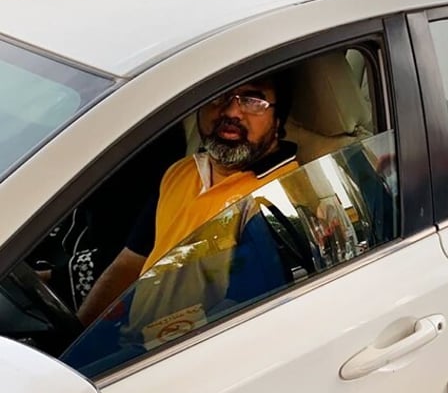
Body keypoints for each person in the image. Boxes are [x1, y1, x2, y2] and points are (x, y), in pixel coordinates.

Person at [76, 77, 300, 327]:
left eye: (251, 100)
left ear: (278, 119)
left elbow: (250, 319)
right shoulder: (181, 171)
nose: (231, 111)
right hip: (133, 344)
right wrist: (75, 334)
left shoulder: (282, 195)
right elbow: (130, 264)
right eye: (218, 95)